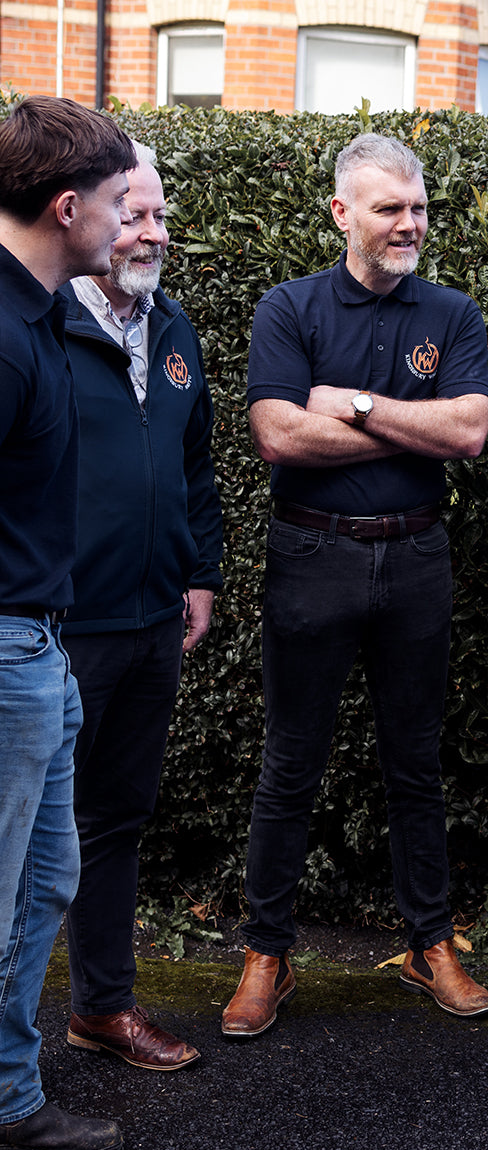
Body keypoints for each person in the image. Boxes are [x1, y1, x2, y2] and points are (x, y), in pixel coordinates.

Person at [223, 132, 488, 1037]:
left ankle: (430, 943)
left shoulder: (451, 313)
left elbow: (468, 435)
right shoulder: (288, 308)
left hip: (416, 557)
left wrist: (360, 405)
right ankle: (268, 952)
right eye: (391, 208)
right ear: (344, 213)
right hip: (314, 554)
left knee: (416, 763)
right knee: (290, 763)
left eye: (419, 207)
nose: (411, 223)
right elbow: (279, 437)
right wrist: (413, 427)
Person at [56, 142, 223, 1073]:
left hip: (153, 621)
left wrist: (199, 574)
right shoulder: (37, 324)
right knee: (26, 835)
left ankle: (101, 1008)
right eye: (134, 214)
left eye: (159, 215)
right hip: (56, 628)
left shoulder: (175, 330)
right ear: (81, 214)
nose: (152, 233)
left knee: (115, 819)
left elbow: (195, 467)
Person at [0, 94, 135, 1150]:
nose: (129, 217)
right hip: (3, 653)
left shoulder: (43, 313)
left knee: (45, 881)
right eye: (116, 199)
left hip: (40, 647)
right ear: (65, 205)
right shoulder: (1, 332)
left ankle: (8, 1094)